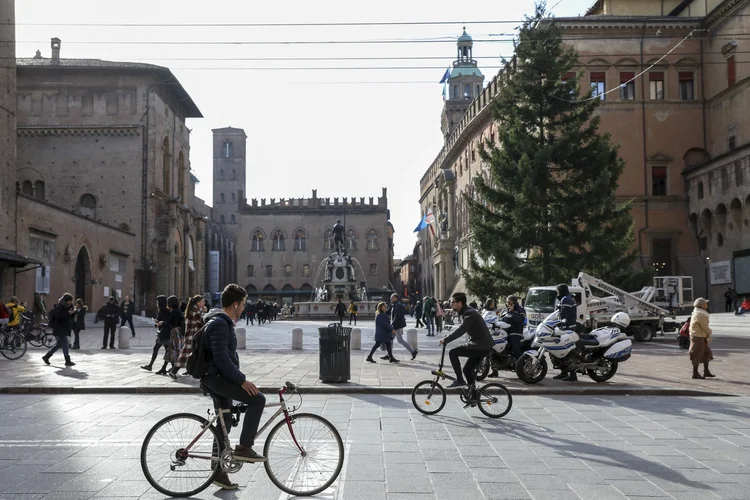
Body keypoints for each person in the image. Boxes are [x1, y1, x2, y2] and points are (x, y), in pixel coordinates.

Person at [200, 284, 267, 491]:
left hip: (217, 378)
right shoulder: (220, 324)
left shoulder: (222, 322)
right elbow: (221, 358)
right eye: (244, 303)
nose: (245, 308)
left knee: (225, 424)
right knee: (258, 399)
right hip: (217, 379)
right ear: (235, 304)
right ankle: (244, 447)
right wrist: (242, 381)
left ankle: (217, 473)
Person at [439, 292, 493, 392]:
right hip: (481, 345)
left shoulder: (469, 313)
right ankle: (473, 395)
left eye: (453, 302)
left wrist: (446, 340)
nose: (451, 304)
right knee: (467, 370)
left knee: (453, 352)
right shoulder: (467, 312)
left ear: (460, 303)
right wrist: (448, 337)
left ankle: (460, 380)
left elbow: (461, 330)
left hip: (481, 345)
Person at [171, 294, 205, 378]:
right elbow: (201, 320)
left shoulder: (195, 309)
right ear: (198, 302)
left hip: (193, 335)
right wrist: (204, 311)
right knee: (185, 353)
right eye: (202, 301)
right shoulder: (194, 309)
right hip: (191, 335)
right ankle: (173, 371)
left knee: (193, 353)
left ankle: (190, 370)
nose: (203, 303)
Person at [42, 293, 76, 366]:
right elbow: (58, 317)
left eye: (71, 301)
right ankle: (67, 360)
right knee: (65, 344)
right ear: (66, 300)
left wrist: (72, 313)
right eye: (69, 301)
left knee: (58, 345)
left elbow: (69, 318)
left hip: (64, 328)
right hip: (59, 328)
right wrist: (68, 313)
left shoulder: (69, 307)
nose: (70, 302)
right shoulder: (59, 307)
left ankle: (46, 357)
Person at [141, 295, 170, 373]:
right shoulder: (165, 310)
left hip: (164, 333)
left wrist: (158, 322)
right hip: (165, 333)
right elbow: (162, 320)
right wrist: (157, 322)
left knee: (158, 348)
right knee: (167, 350)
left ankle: (152, 366)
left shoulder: (163, 310)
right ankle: (167, 367)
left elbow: (165, 321)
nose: (156, 303)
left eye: (157, 301)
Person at [384, 294, 417, 360]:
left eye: (392, 297)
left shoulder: (398, 305)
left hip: (397, 326)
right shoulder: (395, 305)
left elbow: (397, 316)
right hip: (396, 325)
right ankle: (389, 354)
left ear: (396, 298)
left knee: (400, 340)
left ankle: (413, 351)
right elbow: (390, 313)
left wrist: (392, 325)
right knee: (390, 340)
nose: (391, 299)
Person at [689, 297, 715, 379]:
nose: (706, 304)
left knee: (706, 353)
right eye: (705, 303)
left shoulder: (699, 313)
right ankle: (695, 373)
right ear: (702, 305)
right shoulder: (700, 314)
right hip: (698, 336)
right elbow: (705, 327)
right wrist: (710, 332)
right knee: (697, 354)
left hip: (700, 335)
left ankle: (706, 371)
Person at [165, 295, 185, 378]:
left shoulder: (174, 311)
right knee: (174, 349)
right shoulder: (178, 310)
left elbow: (170, 323)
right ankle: (173, 368)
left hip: (175, 332)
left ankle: (174, 369)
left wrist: (162, 323)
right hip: (179, 331)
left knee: (175, 349)